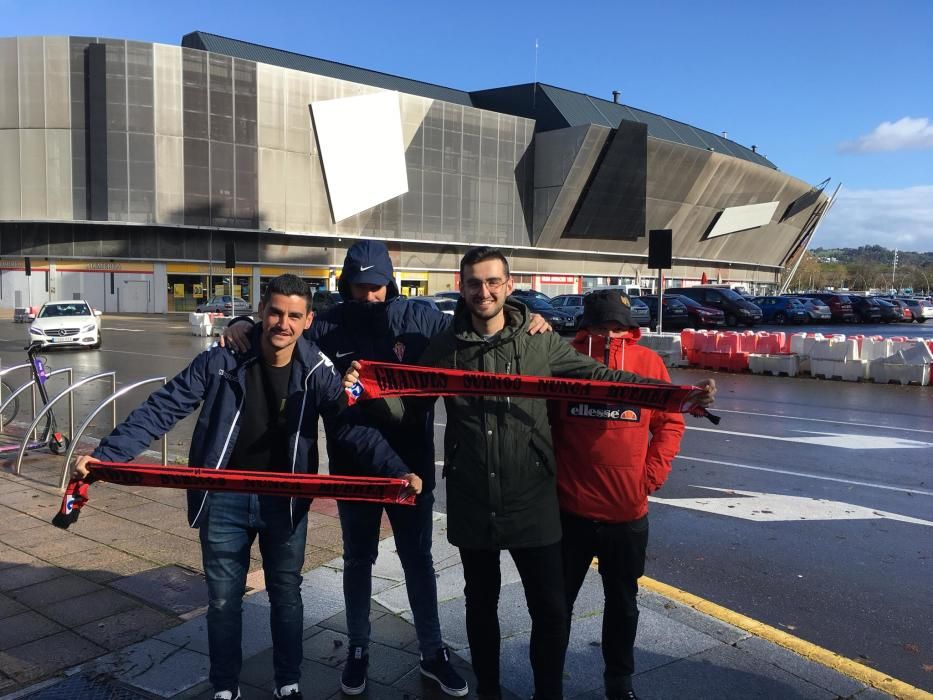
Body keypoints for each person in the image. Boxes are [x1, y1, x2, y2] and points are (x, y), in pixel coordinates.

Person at [346, 246, 715, 700]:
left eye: (493, 282)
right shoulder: (444, 347)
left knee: (551, 611)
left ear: (509, 285)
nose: (484, 291)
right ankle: (490, 692)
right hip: (472, 497)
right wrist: (368, 392)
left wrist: (674, 396)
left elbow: (603, 378)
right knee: (481, 606)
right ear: (462, 287)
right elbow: (411, 405)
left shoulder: (540, 340)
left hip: (533, 500)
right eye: (475, 283)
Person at [73, 275, 420, 700]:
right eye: (275, 312)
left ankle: (288, 681)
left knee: (287, 595)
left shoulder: (316, 369)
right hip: (224, 498)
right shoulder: (223, 359)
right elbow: (164, 406)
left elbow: (352, 428)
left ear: (308, 320)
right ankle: (224, 686)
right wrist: (109, 456)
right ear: (260, 311)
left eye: (294, 315)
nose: (283, 323)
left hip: (285, 502)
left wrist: (396, 469)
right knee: (222, 600)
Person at [550, 290, 685, 700]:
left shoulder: (648, 363)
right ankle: (548, 681)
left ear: (630, 329)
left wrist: (651, 476)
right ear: (585, 325)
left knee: (623, 605)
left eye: (618, 326)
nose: (610, 333)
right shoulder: (563, 361)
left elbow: (670, 422)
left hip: (627, 513)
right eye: (602, 325)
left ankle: (619, 682)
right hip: (569, 510)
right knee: (556, 608)